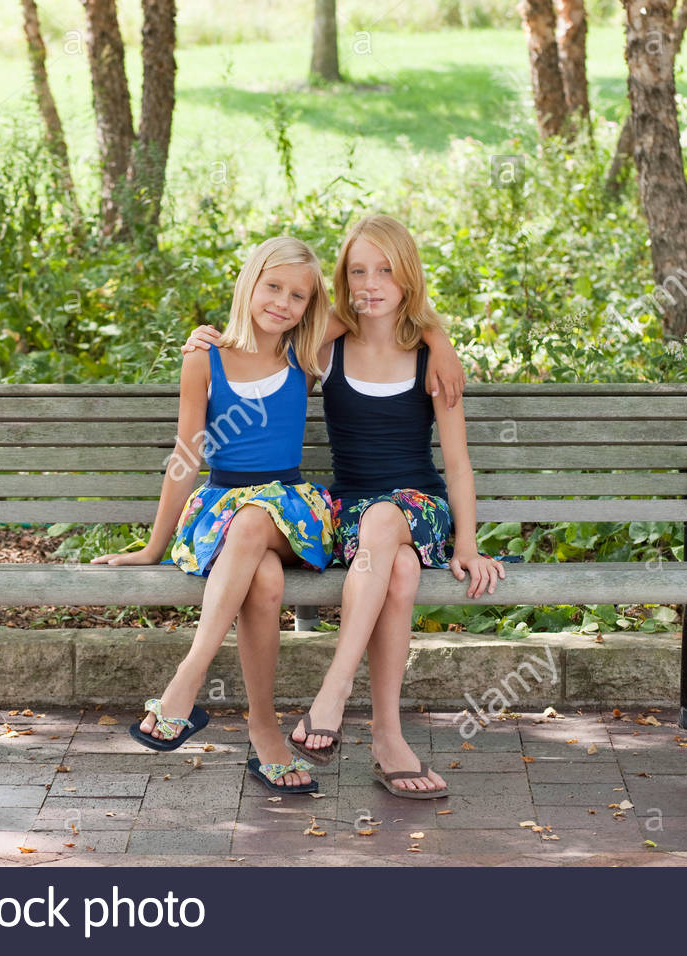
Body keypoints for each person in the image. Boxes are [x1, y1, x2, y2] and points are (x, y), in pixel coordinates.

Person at [186, 215, 500, 798]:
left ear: (408, 277)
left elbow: (456, 464)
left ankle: (333, 693)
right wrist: (209, 341)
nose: (371, 283)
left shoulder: (430, 357)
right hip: (352, 514)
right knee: (397, 568)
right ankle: (386, 737)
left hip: (417, 508)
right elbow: (260, 345)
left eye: (385, 271)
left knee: (389, 523)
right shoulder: (325, 347)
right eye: (358, 271)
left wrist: (467, 544)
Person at [92, 236, 335, 794]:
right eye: (272, 286)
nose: (283, 302)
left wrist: (439, 345)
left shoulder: (308, 351)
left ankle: (187, 680)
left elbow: (391, 313)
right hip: (223, 506)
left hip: (292, 509)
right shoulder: (206, 358)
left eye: (298, 295)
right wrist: (152, 547)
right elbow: (187, 455)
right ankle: (263, 729)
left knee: (255, 520)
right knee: (265, 579)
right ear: (249, 283)